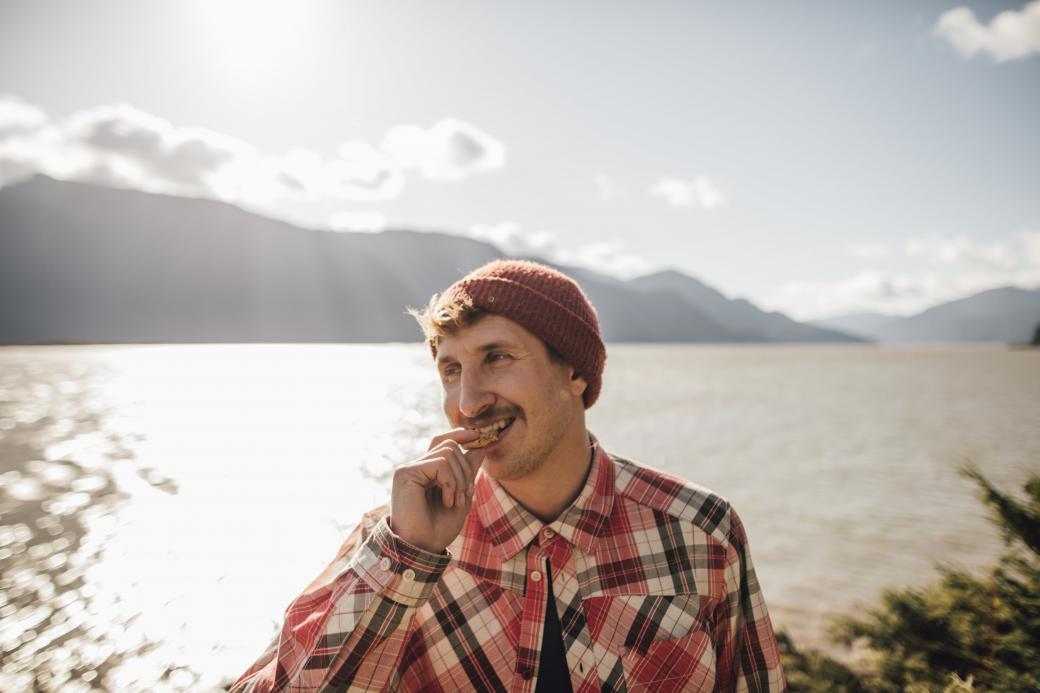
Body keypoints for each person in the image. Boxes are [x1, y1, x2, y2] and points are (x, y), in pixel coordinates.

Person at [230, 260, 787, 692]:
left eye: (496, 357)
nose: (467, 403)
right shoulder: (396, 542)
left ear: (573, 372)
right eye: (451, 370)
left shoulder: (700, 532)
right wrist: (405, 562)